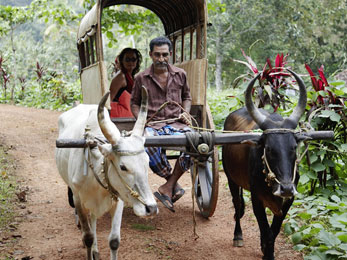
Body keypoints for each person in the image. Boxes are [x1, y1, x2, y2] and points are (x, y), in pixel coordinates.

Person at [131, 36, 192, 212]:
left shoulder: (180, 74)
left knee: (196, 142)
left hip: (177, 124)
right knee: (147, 145)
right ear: (150, 54)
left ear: (170, 54)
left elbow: (187, 97)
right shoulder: (141, 78)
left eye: (165, 55)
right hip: (153, 125)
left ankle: (168, 186)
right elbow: (134, 102)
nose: (161, 59)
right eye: (157, 55)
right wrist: (141, 120)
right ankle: (173, 184)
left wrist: (185, 112)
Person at [109, 48, 142, 118]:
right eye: (127, 59)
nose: (130, 62)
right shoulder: (121, 76)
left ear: (137, 61)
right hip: (120, 117)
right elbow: (109, 99)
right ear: (122, 61)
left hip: (129, 114)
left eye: (133, 59)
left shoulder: (131, 76)